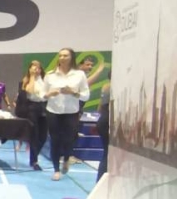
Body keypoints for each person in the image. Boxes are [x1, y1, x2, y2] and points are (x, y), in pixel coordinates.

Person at [44, 48, 90, 181]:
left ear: (72, 58)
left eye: (65, 55)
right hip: (53, 111)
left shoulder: (79, 75)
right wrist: (49, 94)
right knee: (55, 140)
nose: (62, 58)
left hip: (71, 112)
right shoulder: (50, 75)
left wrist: (73, 93)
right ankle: (56, 170)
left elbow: (86, 95)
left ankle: (66, 158)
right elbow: (42, 94)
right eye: (60, 56)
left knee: (69, 139)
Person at [19, 60, 48, 171]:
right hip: (32, 107)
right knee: (34, 135)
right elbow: (30, 91)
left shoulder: (44, 80)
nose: (36, 69)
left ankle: (34, 155)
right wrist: (32, 76)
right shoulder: (26, 80)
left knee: (43, 136)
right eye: (34, 67)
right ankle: (34, 161)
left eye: (38, 67)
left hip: (44, 106)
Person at [97, 71, 111, 181]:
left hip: (102, 120)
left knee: (106, 152)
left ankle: (99, 181)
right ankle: (101, 180)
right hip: (108, 120)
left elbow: (100, 108)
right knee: (108, 153)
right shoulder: (113, 88)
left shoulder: (106, 87)